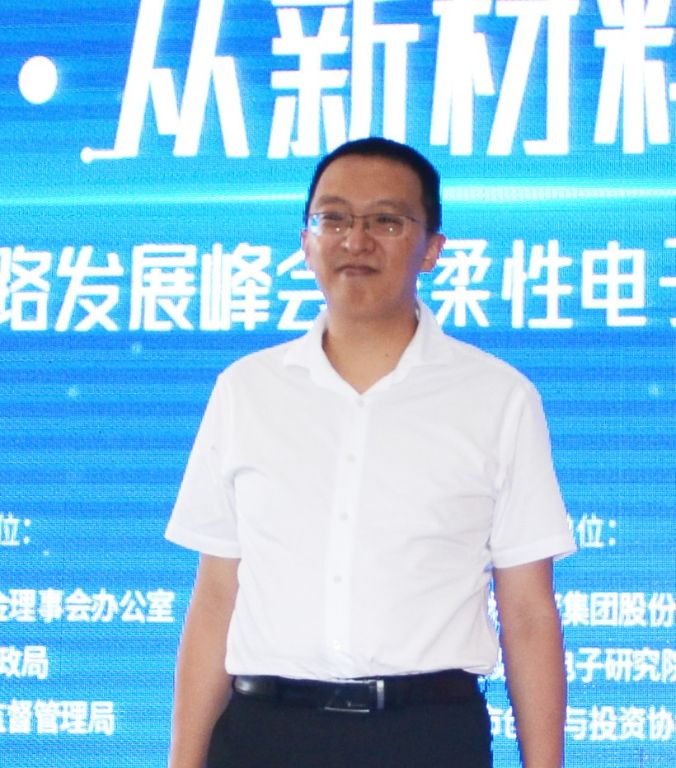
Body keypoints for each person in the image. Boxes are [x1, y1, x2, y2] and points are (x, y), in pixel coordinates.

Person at [165, 137, 576, 768]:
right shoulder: (245, 390)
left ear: (432, 248)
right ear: (307, 242)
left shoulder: (498, 398)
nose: (355, 240)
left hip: (427, 736)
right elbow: (217, 594)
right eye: (333, 219)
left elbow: (526, 610)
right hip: (263, 734)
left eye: (386, 220)